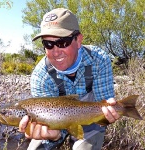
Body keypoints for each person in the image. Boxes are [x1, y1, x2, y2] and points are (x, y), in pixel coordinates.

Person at [19, 8, 120, 150]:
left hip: (89, 120)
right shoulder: (40, 77)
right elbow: (51, 133)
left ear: (78, 40)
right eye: (48, 44)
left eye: (62, 42)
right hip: (53, 123)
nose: (55, 51)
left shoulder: (99, 60)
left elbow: (103, 108)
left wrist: (109, 114)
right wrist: (54, 136)